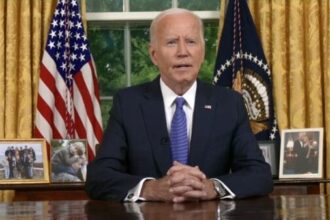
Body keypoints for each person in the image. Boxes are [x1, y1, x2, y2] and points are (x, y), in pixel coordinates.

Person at [85, 8, 273, 202]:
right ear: (154, 55)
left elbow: (259, 174)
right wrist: (150, 189)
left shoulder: (228, 103)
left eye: (191, 41)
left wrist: (213, 187)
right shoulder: (128, 103)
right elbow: (98, 177)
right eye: (171, 42)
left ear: (202, 51)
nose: (182, 52)